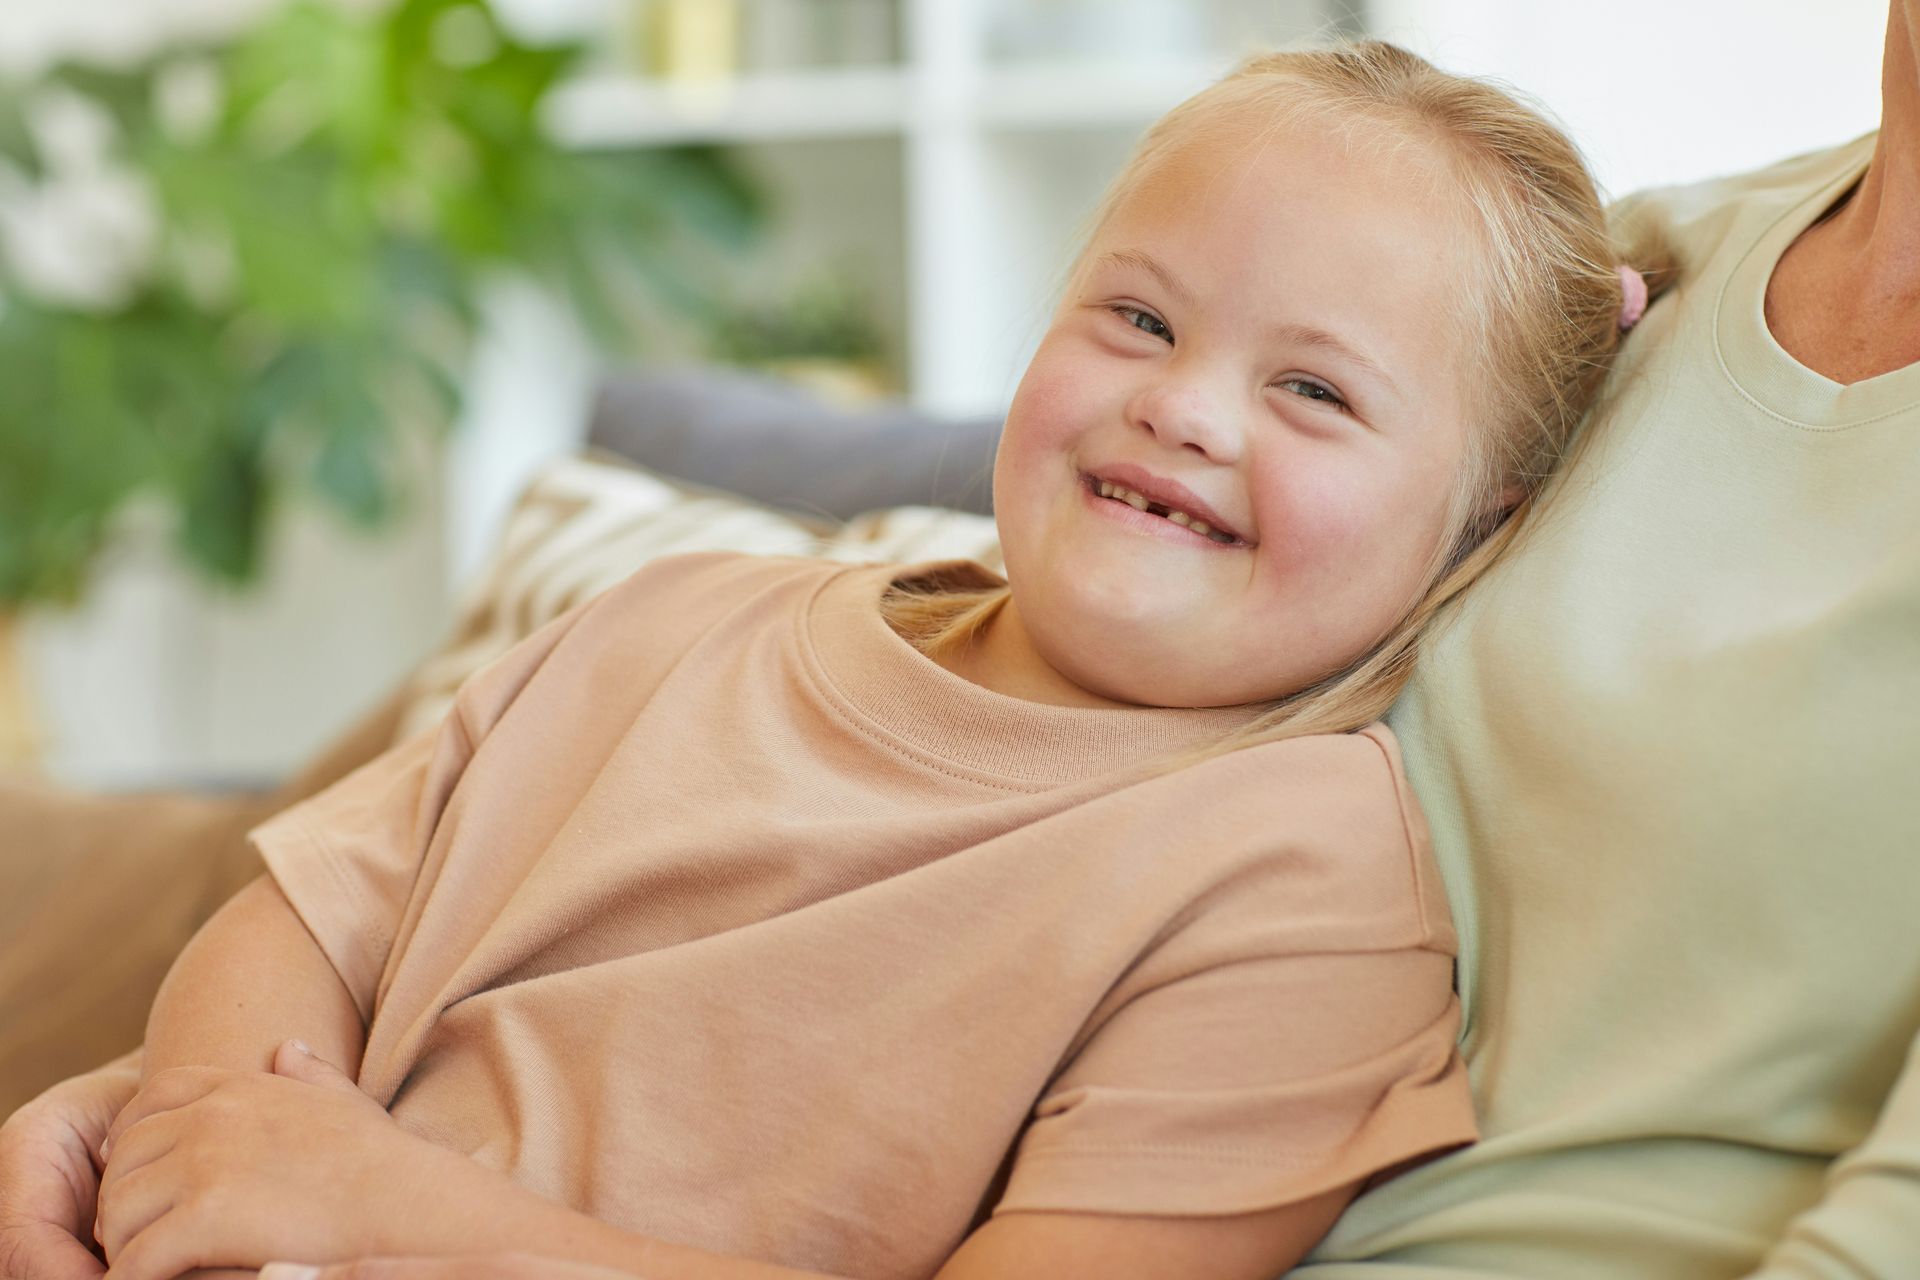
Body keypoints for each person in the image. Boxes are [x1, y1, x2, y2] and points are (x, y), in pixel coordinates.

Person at [2, 41, 1647, 1280]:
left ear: (1481, 519)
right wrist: (185, 1161)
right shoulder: (675, 618)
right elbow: (297, 918)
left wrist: (407, 1218)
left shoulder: (1306, 880)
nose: (1186, 406)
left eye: (1316, 393)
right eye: (1138, 318)